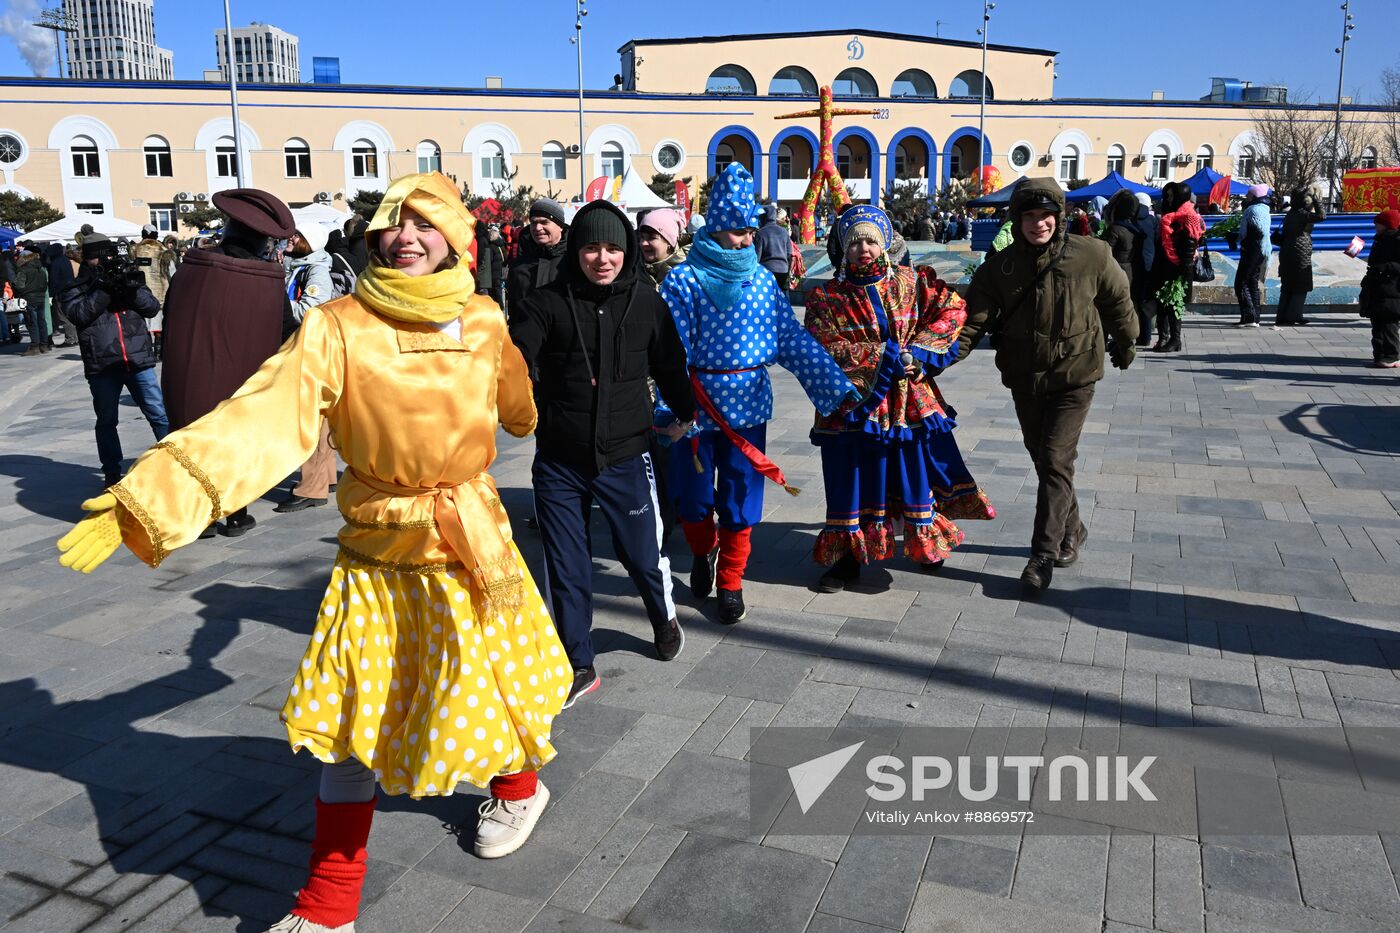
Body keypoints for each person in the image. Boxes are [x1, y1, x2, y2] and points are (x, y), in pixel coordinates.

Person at [57, 173, 567, 931]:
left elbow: (520, 410)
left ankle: (520, 787)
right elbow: (260, 417)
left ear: (457, 237)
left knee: (495, 681)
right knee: (349, 726)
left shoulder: (484, 317)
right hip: (380, 551)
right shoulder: (339, 323)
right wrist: (153, 496)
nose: (406, 236)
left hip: (469, 538)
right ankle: (329, 907)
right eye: (392, 223)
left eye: (424, 222)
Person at [510, 200, 696, 706]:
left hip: (626, 455)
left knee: (640, 553)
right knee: (565, 562)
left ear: (628, 250)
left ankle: (662, 615)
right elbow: (515, 358)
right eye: (592, 246)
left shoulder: (646, 301)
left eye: (613, 247)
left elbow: (671, 364)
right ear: (578, 250)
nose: (602, 257)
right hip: (559, 459)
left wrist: (685, 413)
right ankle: (577, 659)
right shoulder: (545, 303)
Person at [659, 164, 858, 623]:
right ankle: (702, 550)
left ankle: (730, 580)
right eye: (735, 232)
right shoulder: (683, 280)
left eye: (749, 231)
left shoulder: (764, 282)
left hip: (748, 406)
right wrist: (667, 407)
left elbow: (790, 338)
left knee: (740, 496)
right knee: (691, 498)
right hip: (693, 406)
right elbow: (669, 352)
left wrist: (833, 387)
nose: (746, 241)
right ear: (714, 229)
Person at [958, 178, 1137, 591]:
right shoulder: (1000, 267)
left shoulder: (1090, 254)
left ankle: (1042, 555)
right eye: (1029, 215)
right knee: (1045, 460)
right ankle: (1072, 527)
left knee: (1055, 458)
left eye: (1046, 215)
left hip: (1075, 376)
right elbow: (972, 325)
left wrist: (1126, 342)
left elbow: (1117, 300)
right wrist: (934, 362)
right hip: (1025, 376)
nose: (1039, 223)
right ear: (1016, 219)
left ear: (1060, 216)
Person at [805, 205, 995, 592]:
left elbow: (953, 309)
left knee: (911, 471)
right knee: (851, 478)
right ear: (843, 246)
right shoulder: (827, 296)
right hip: (852, 404)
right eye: (855, 241)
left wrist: (921, 354)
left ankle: (924, 544)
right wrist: (886, 358)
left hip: (907, 401)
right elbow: (823, 345)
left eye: (871, 240)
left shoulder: (912, 283)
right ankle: (846, 560)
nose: (863, 249)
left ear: (886, 243)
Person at [160, 188, 298, 537]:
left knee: (192, 443)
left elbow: (172, 316)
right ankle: (236, 514)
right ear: (264, 242)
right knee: (235, 446)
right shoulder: (266, 282)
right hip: (243, 382)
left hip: (188, 376)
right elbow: (287, 331)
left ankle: (200, 518)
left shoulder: (190, 271)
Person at [59, 232, 169, 486]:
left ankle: (172, 464)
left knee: (159, 414)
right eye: (99, 257)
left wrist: (129, 289)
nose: (106, 260)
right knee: (107, 420)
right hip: (103, 364)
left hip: (137, 359)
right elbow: (79, 314)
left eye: (109, 254)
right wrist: (104, 289)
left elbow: (151, 307)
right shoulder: (75, 287)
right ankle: (111, 472)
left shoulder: (125, 274)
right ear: (88, 260)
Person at [276, 221, 340, 514]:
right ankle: (324, 479)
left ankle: (310, 488)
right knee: (319, 417)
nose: (290, 238)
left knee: (308, 418)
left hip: (310, 350)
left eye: (297, 235)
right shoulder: (298, 265)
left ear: (309, 241)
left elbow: (311, 310)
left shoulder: (316, 270)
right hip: (304, 349)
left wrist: (273, 302)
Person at [1152, 182, 1204, 352]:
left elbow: (1190, 245)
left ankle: (1175, 339)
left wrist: (1185, 272)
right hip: (1166, 265)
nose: (1169, 199)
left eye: (1172, 196)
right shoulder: (1171, 215)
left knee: (1174, 304)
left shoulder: (1188, 216)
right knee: (1164, 304)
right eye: (1167, 196)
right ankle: (1164, 338)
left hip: (1177, 268)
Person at [1103, 191, 1156, 348]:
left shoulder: (1115, 229)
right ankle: (1136, 336)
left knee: (1111, 306)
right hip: (1135, 270)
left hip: (1117, 270)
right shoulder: (1137, 228)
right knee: (1133, 305)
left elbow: (1105, 252)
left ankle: (1111, 338)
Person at [506, 198, 569, 312]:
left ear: (560, 226)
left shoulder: (576, 262)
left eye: (544, 222)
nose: (538, 228)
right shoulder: (519, 266)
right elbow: (514, 309)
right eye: (534, 223)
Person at [1275, 187, 1326, 327]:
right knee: (1300, 285)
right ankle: (1294, 315)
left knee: (1287, 285)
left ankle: (1282, 316)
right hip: (1300, 252)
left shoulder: (1291, 213)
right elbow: (1322, 216)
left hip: (1286, 251)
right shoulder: (1302, 214)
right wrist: (1316, 199)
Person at [1360, 209, 1400, 369]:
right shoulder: (1381, 239)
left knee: (1388, 323)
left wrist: (1386, 267)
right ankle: (1380, 355)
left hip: (1391, 288)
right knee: (1377, 322)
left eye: (1378, 223)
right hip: (1377, 285)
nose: (1375, 225)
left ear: (1387, 224)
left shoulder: (1396, 240)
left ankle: (1391, 356)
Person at [1234, 183, 1272, 328]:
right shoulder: (1265, 209)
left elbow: (1250, 231)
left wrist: (1238, 238)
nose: (1247, 197)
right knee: (1252, 283)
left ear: (1255, 196)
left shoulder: (1253, 209)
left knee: (1241, 283)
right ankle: (1254, 317)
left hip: (1252, 249)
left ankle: (1249, 317)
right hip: (1262, 250)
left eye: (1249, 194)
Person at [132, 225, 172, 356]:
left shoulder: (135, 250)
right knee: (158, 323)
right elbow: (171, 271)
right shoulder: (163, 251)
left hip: (140, 293)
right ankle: (159, 351)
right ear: (156, 235)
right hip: (160, 292)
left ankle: (147, 350)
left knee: (144, 323)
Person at [12, 244, 50, 355]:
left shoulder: (23, 269)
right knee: (41, 321)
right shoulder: (40, 269)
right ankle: (44, 345)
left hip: (28, 298)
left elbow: (19, 285)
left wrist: (18, 288)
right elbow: (45, 284)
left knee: (32, 322)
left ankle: (34, 346)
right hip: (40, 297)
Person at [637, 208, 687, 288]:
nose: (643, 243)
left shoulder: (685, 277)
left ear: (669, 242)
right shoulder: (634, 270)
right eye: (642, 237)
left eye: (651, 238)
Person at [756, 203, 791, 289]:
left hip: (767, 270)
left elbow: (757, 256)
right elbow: (789, 253)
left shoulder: (760, 233)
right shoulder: (784, 232)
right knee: (780, 295)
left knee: (768, 296)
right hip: (783, 270)